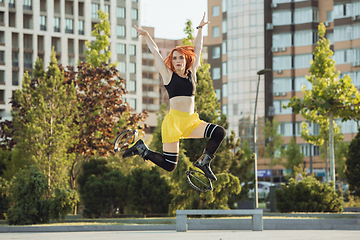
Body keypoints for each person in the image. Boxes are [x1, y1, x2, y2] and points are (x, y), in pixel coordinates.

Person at [122, 13, 226, 181]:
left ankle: (204, 162)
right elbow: (155, 52)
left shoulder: (192, 73)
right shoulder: (168, 75)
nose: (177, 61)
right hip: (174, 123)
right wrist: (147, 35)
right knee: (170, 165)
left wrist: (199, 29)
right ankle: (143, 150)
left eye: (181, 58)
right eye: (174, 58)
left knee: (219, 132)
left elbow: (198, 48)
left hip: (191, 122)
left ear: (186, 60)